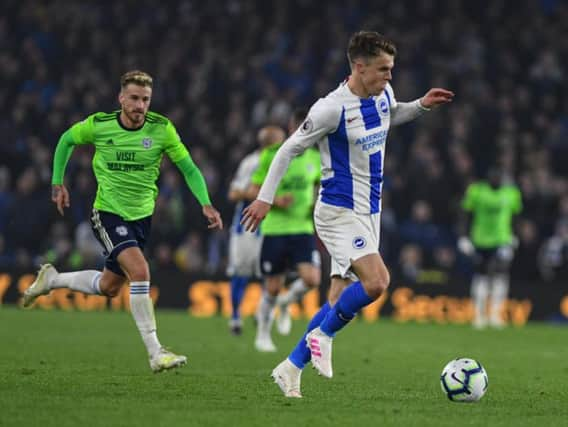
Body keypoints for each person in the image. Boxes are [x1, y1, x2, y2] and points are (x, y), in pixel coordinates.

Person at [241, 31, 454, 397]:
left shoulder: (382, 94)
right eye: (383, 70)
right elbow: (287, 150)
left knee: (337, 300)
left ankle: (290, 368)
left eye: (391, 69)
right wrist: (265, 198)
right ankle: (322, 335)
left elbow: (391, 114)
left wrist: (420, 105)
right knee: (377, 282)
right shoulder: (330, 108)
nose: (390, 77)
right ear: (359, 67)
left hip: (369, 210)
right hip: (338, 210)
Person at [22, 70, 223, 372]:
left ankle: (51, 280)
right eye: (134, 98)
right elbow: (66, 140)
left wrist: (206, 203)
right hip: (108, 212)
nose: (140, 105)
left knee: (110, 286)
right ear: (121, 98)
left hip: (142, 218)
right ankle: (156, 352)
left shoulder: (162, 129)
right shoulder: (100, 125)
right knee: (141, 271)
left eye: (145, 100)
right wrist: (57, 182)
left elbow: (190, 169)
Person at [247, 111, 321, 352]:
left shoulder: (315, 158)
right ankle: (262, 336)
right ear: (292, 127)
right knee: (272, 286)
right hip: (275, 229)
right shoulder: (272, 154)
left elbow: (321, 184)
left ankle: (286, 303)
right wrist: (276, 200)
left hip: (302, 228)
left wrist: (317, 202)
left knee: (312, 279)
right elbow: (254, 188)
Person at [225, 126, 277, 335]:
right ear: (269, 142)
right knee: (241, 271)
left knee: (271, 271)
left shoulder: (285, 160)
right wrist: (256, 195)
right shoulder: (251, 163)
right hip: (248, 227)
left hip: (274, 224)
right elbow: (233, 193)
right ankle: (236, 317)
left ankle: (262, 313)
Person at [458, 167, 522, 329]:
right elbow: (465, 214)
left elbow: (516, 216)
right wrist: (463, 236)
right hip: (480, 240)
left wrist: (514, 236)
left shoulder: (512, 193)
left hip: (502, 240)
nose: (497, 180)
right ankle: (479, 316)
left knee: (500, 274)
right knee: (482, 276)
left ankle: (495, 315)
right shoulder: (477, 192)